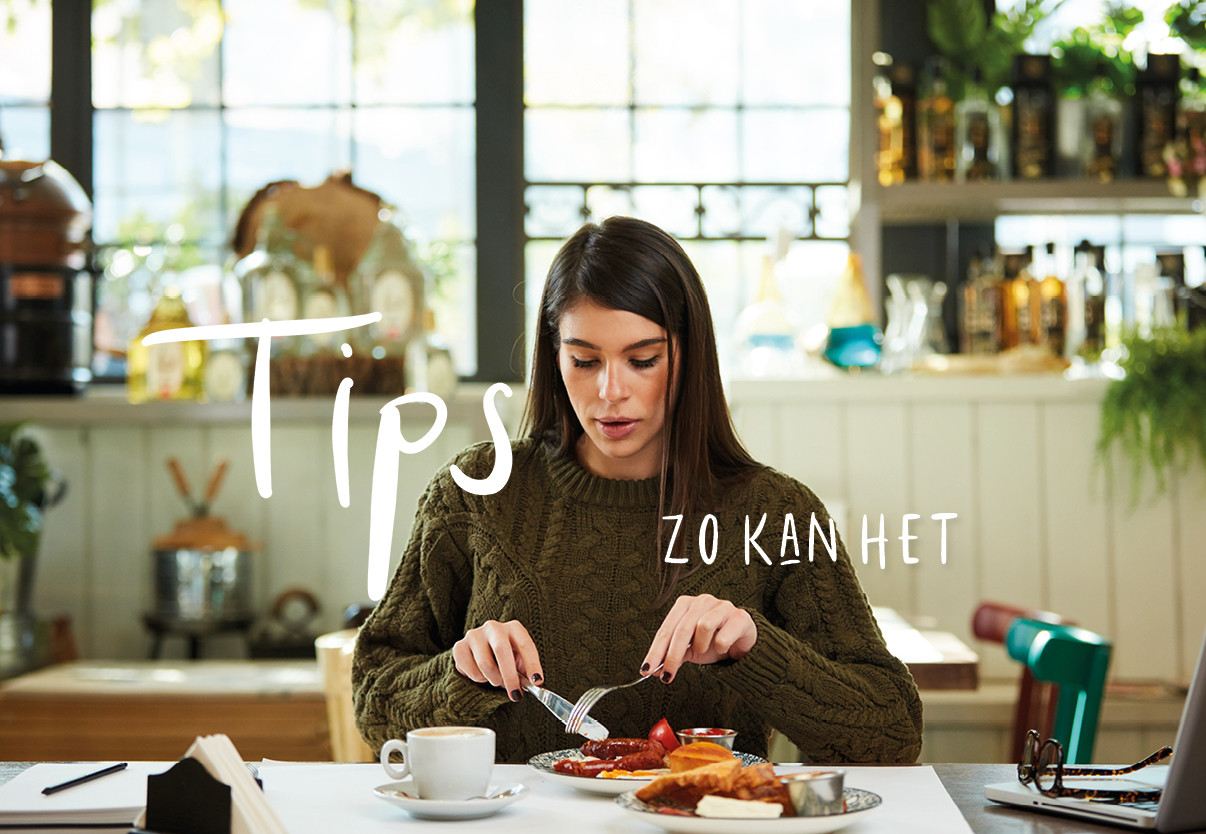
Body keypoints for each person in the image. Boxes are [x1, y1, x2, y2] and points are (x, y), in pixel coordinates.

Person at [352, 216, 922, 764]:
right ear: (554, 358)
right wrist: (459, 671)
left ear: (688, 357)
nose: (610, 391)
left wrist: (756, 647)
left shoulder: (776, 515)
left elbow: (892, 734)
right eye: (583, 360)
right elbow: (374, 702)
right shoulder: (476, 494)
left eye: (642, 360)